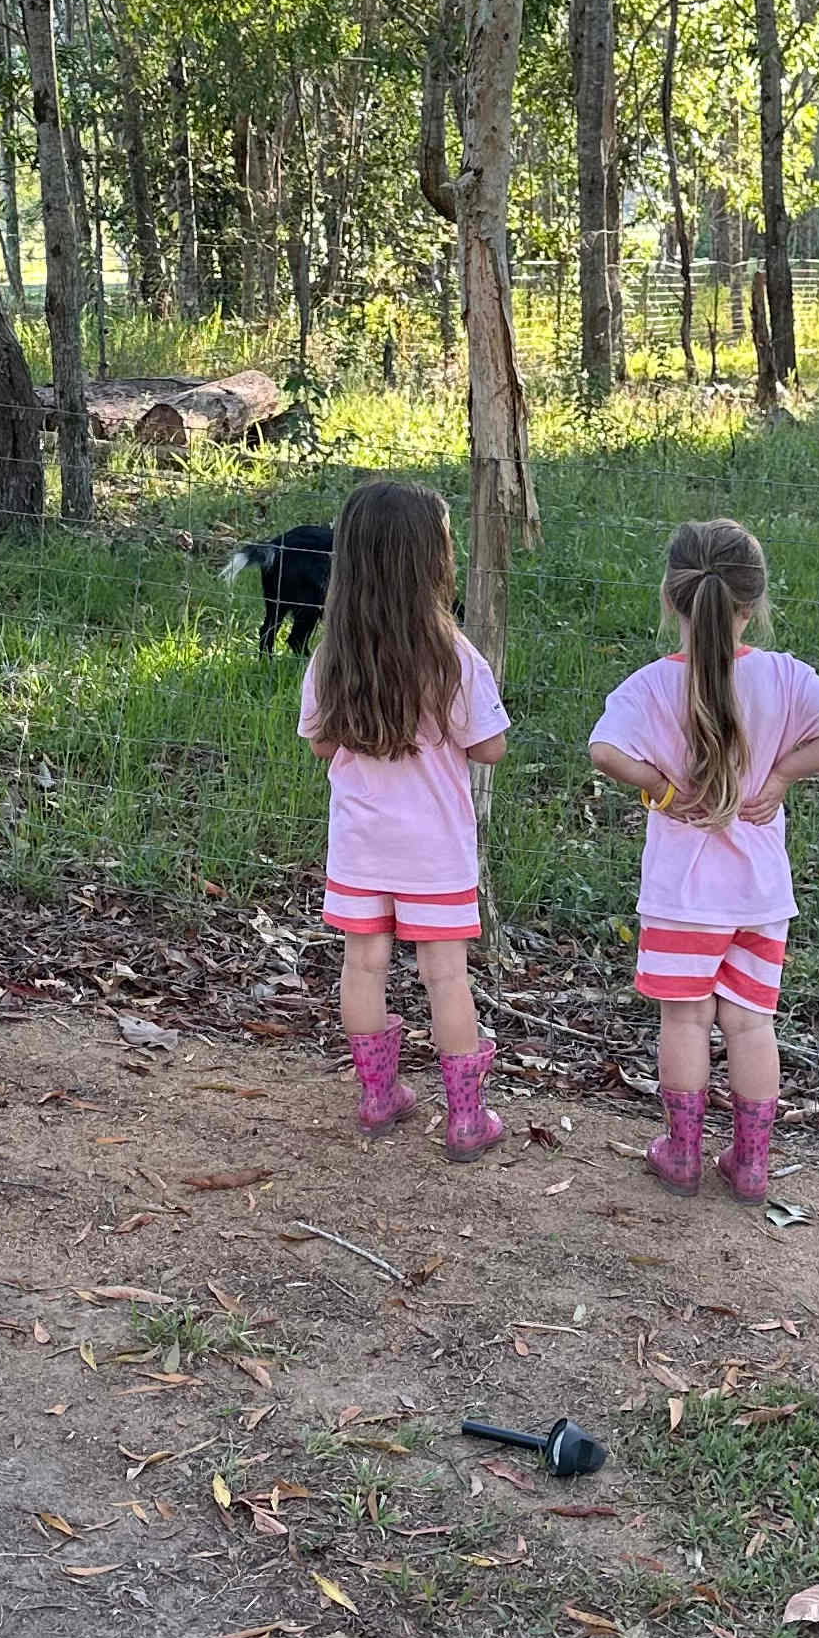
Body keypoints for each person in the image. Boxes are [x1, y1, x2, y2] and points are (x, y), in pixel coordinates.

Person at [588, 518, 819, 1201]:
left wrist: (660, 786)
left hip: (682, 897)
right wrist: (779, 778)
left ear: (668, 597)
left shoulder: (652, 685)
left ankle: (681, 1153)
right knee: (750, 1024)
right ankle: (751, 1164)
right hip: (760, 895)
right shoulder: (785, 676)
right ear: (755, 602)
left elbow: (603, 750)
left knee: (683, 1020)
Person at [298, 479, 511, 1159]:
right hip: (434, 850)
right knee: (445, 974)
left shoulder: (333, 654)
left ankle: (377, 1094)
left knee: (363, 967)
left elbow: (322, 742)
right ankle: (467, 1118)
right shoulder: (453, 655)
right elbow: (491, 747)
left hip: (361, 845)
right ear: (433, 562)